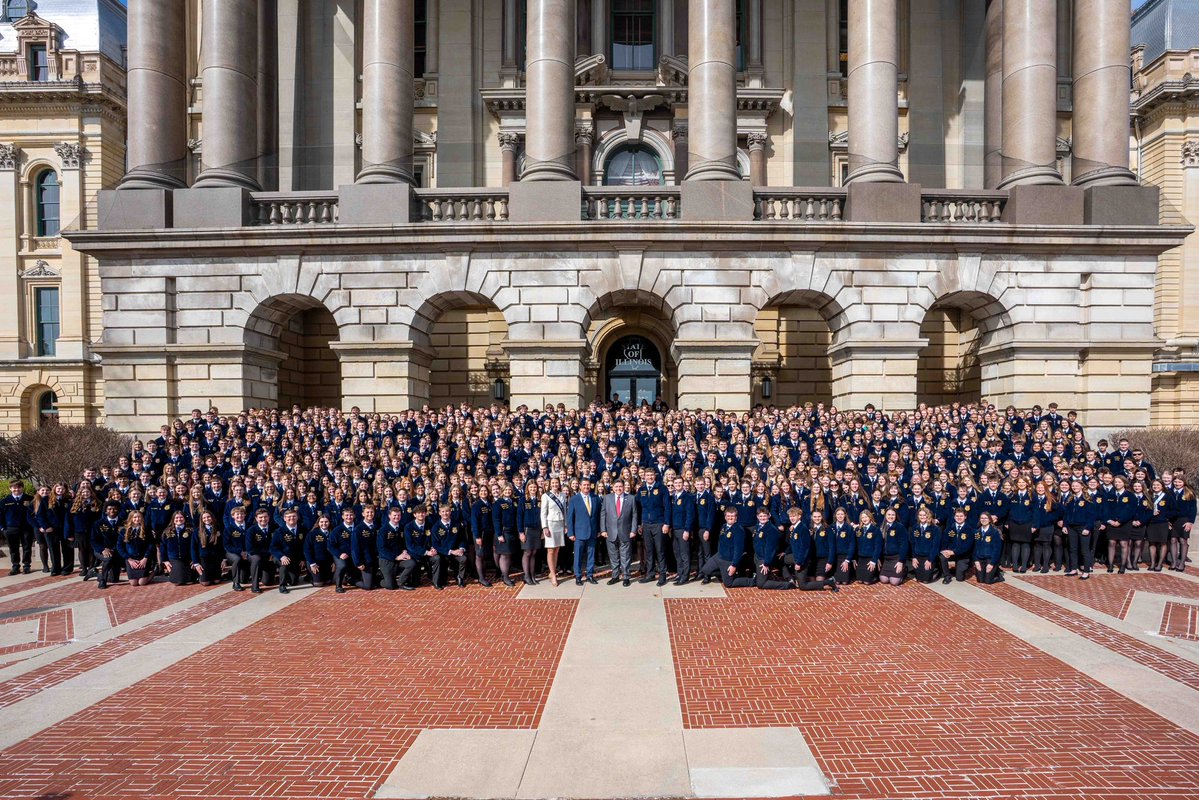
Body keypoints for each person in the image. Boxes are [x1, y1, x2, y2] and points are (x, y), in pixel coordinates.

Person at [600, 478, 638, 586]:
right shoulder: (607, 498)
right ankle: (615, 576)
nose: (618, 488)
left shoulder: (631, 498)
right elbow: (603, 514)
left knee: (625, 556)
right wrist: (603, 530)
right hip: (610, 532)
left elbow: (634, 515)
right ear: (612, 488)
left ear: (624, 487)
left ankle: (626, 577)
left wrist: (633, 530)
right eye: (616, 487)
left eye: (620, 486)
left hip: (626, 532)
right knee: (613, 556)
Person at [566, 478, 602, 585]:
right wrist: (571, 533)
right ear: (580, 486)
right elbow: (570, 517)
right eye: (584, 485)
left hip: (593, 531)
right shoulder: (574, 499)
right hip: (579, 533)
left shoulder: (595, 498)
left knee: (591, 554)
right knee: (578, 555)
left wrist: (599, 530)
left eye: (588, 485)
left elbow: (598, 516)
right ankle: (578, 576)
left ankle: (590, 575)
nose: (586, 487)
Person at [666, 476, 696, 586]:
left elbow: (690, 515)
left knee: (684, 555)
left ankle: (685, 576)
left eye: (680, 483)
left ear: (683, 484)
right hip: (674, 530)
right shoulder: (673, 497)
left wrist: (687, 530)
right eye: (676, 483)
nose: (678, 484)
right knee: (677, 554)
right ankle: (680, 573)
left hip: (683, 530)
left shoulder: (687, 497)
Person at [431, 503, 468, 588]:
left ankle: (460, 578)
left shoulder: (456, 524)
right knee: (443, 580)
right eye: (443, 512)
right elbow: (435, 544)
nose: (445, 513)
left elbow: (462, 538)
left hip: (456, 552)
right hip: (444, 553)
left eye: (447, 511)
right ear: (439, 513)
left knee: (463, 559)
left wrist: (461, 549)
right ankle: (437, 581)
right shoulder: (435, 527)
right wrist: (450, 551)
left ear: (450, 512)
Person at [540, 477, 567, 587]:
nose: (555, 484)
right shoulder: (546, 496)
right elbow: (543, 513)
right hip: (550, 525)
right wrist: (545, 527)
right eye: (553, 483)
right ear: (550, 484)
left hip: (560, 524)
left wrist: (566, 524)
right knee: (551, 550)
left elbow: (565, 510)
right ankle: (553, 574)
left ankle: (552, 572)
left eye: (557, 482)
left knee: (557, 549)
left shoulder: (563, 495)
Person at [399, 505, 434, 590]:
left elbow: (433, 539)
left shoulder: (430, 524)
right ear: (414, 515)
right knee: (416, 583)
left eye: (423, 513)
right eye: (418, 513)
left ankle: (435, 579)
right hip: (415, 555)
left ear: (426, 514)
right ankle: (401, 582)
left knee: (437, 558)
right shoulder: (408, 527)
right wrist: (425, 552)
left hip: (427, 554)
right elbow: (410, 546)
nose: (421, 515)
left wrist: (433, 547)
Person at [2, 481, 33, 575]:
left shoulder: (30, 499)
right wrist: (3, 528)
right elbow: (0, 515)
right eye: (14, 488)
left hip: (26, 527)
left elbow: (35, 513)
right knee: (13, 548)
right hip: (11, 528)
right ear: (10, 489)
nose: (17, 489)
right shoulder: (5, 501)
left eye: (19, 487)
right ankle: (15, 566)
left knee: (27, 547)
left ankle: (26, 565)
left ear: (22, 488)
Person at [91, 501, 123, 589]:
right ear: (105, 511)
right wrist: (103, 549)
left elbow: (124, 540)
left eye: (114, 509)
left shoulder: (124, 522)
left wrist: (114, 549)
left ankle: (96, 573)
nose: (112, 511)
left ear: (118, 510)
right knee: (108, 559)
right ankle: (102, 581)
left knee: (114, 579)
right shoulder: (98, 523)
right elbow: (93, 540)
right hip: (101, 550)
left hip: (117, 550)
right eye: (109, 509)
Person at [271, 508, 304, 593]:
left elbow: (305, 546)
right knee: (284, 564)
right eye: (289, 517)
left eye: (294, 516)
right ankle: (282, 585)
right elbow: (273, 547)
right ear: (284, 518)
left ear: (297, 517)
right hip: (282, 556)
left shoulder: (303, 529)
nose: (291, 518)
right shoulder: (279, 531)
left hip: (295, 558)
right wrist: (281, 556)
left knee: (293, 582)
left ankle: (287, 574)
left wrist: (303, 559)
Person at [118, 511, 153, 587]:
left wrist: (145, 558)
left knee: (142, 582)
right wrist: (129, 559)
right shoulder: (124, 531)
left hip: (143, 558)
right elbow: (119, 546)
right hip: (130, 559)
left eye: (139, 517)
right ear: (130, 518)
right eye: (135, 517)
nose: (137, 519)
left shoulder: (146, 529)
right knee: (134, 583)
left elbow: (150, 545)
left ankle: (154, 572)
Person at [939, 508, 974, 583]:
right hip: (950, 552)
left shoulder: (969, 529)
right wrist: (944, 551)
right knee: (942, 557)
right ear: (954, 517)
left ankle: (962, 568)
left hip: (963, 555)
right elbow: (944, 541)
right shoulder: (949, 528)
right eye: (957, 516)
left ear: (965, 517)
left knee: (959, 578)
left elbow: (967, 546)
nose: (959, 518)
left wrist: (954, 552)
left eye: (961, 516)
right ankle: (947, 576)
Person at [1168, 474, 1195, 572]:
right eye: (1175, 481)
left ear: (1184, 482)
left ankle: (1182, 562)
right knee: (1173, 540)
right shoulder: (1169, 492)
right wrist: (1167, 520)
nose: (1177, 483)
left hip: (1184, 520)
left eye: (1179, 482)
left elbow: (1193, 509)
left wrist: (1190, 522)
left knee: (1183, 541)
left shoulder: (1189, 492)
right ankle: (1174, 562)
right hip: (1172, 520)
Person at [159, 511, 194, 586]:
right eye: (177, 517)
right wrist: (165, 561)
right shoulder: (167, 531)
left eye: (181, 517)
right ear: (173, 519)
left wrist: (195, 560)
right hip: (174, 559)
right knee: (177, 582)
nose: (179, 519)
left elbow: (195, 546)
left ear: (184, 518)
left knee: (189, 581)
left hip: (188, 558)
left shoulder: (191, 530)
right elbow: (163, 547)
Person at [910, 506, 942, 584]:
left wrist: (930, 560)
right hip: (918, 556)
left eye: (924, 515)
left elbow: (935, 546)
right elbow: (912, 543)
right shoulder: (914, 527)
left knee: (926, 580)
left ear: (928, 516)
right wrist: (914, 557)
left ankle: (937, 570)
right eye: (920, 515)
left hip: (929, 556)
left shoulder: (935, 529)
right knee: (919, 579)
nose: (922, 517)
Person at [1147, 478, 1173, 572]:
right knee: (1152, 543)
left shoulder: (1167, 496)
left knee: (1163, 543)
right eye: (1154, 485)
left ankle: (1160, 563)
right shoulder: (1149, 495)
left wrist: (1165, 516)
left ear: (1162, 486)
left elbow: (1173, 509)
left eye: (1158, 485)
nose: (1156, 487)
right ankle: (1153, 563)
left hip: (1162, 523)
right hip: (1151, 522)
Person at [222, 505, 251, 591]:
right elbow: (226, 545)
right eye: (237, 514)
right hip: (232, 553)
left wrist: (248, 552)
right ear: (233, 516)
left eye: (242, 514)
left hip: (247, 552)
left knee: (244, 580)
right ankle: (236, 583)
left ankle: (233, 573)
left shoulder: (250, 526)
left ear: (245, 515)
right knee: (237, 559)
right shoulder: (229, 528)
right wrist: (240, 552)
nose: (240, 516)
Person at [519, 482, 542, 585]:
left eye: (534, 487)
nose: (533, 488)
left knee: (533, 553)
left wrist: (542, 530)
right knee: (527, 552)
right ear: (527, 488)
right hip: (527, 529)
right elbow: (519, 517)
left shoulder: (540, 500)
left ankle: (532, 576)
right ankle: (526, 576)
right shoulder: (523, 500)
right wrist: (521, 532)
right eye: (531, 487)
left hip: (537, 529)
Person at [879, 507, 910, 586]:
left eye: (893, 515)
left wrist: (901, 561)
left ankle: (904, 570)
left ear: (896, 516)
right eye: (889, 514)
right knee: (883, 580)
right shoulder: (882, 527)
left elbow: (904, 545)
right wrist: (878, 558)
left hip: (897, 557)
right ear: (885, 515)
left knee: (894, 582)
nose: (891, 516)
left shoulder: (900, 527)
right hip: (886, 558)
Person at [246, 507, 274, 593]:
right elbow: (250, 549)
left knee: (268, 582)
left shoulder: (275, 528)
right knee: (257, 559)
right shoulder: (251, 530)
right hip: (256, 555)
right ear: (256, 518)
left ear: (269, 517)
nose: (263, 519)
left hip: (270, 556)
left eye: (265, 517)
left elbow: (278, 544)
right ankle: (255, 586)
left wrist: (273, 554)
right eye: (260, 517)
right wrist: (268, 554)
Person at [972, 511, 1004, 584]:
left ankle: (997, 574)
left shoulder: (995, 532)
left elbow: (997, 549)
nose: (983, 520)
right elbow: (974, 548)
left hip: (990, 559)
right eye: (982, 518)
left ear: (989, 520)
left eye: (986, 518)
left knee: (988, 581)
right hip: (980, 558)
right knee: (980, 580)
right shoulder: (977, 532)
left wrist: (992, 563)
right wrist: (976, 561)